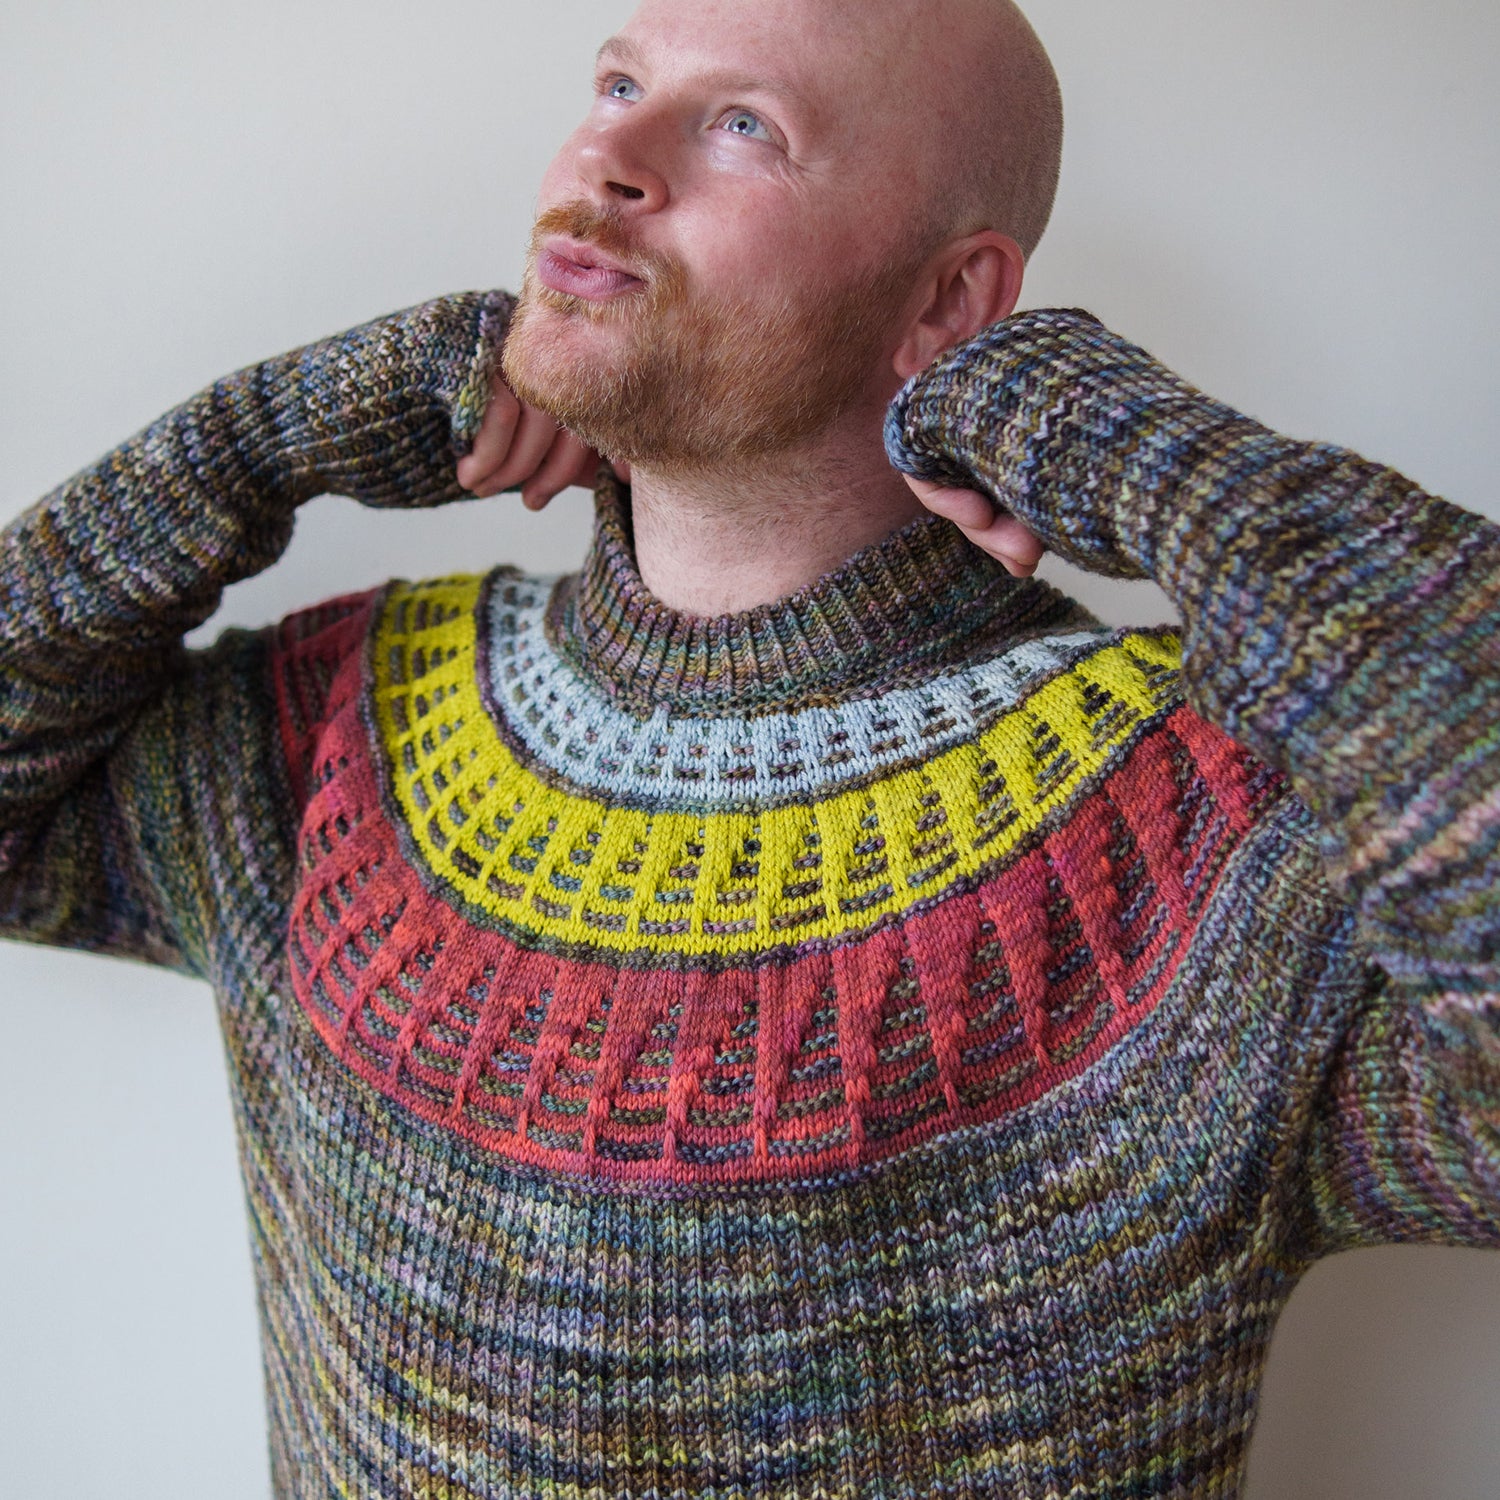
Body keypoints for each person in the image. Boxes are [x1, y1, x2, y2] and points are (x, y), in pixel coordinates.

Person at [1, 0, 1495, 1495]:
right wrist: (253, 443)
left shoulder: (1215, 829)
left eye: (742, 126)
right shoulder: (344, 727)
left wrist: (1145, 459)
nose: (609, 156)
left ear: (950, 301)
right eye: (617, 83)